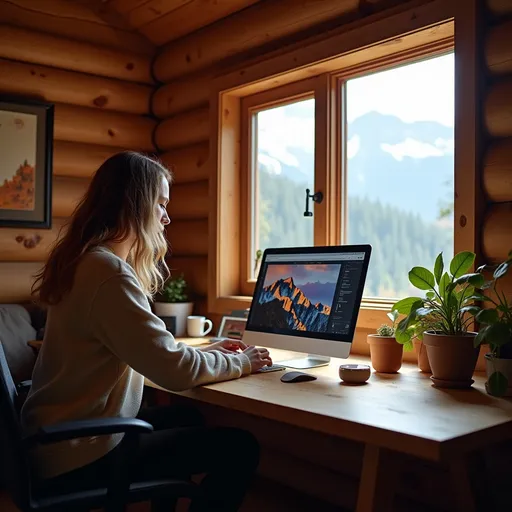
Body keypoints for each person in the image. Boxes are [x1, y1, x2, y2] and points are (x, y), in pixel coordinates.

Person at [20, 151, 272, 510]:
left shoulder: (87, 262)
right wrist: (243, 362)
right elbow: (172, 370)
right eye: (161, 204)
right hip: (77, 452)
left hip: (55, 439)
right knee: (240, 447)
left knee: (189, 417)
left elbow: (148, 349)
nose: (167, 217)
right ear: (135, 205)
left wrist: (207, 352)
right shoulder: (108, 273)